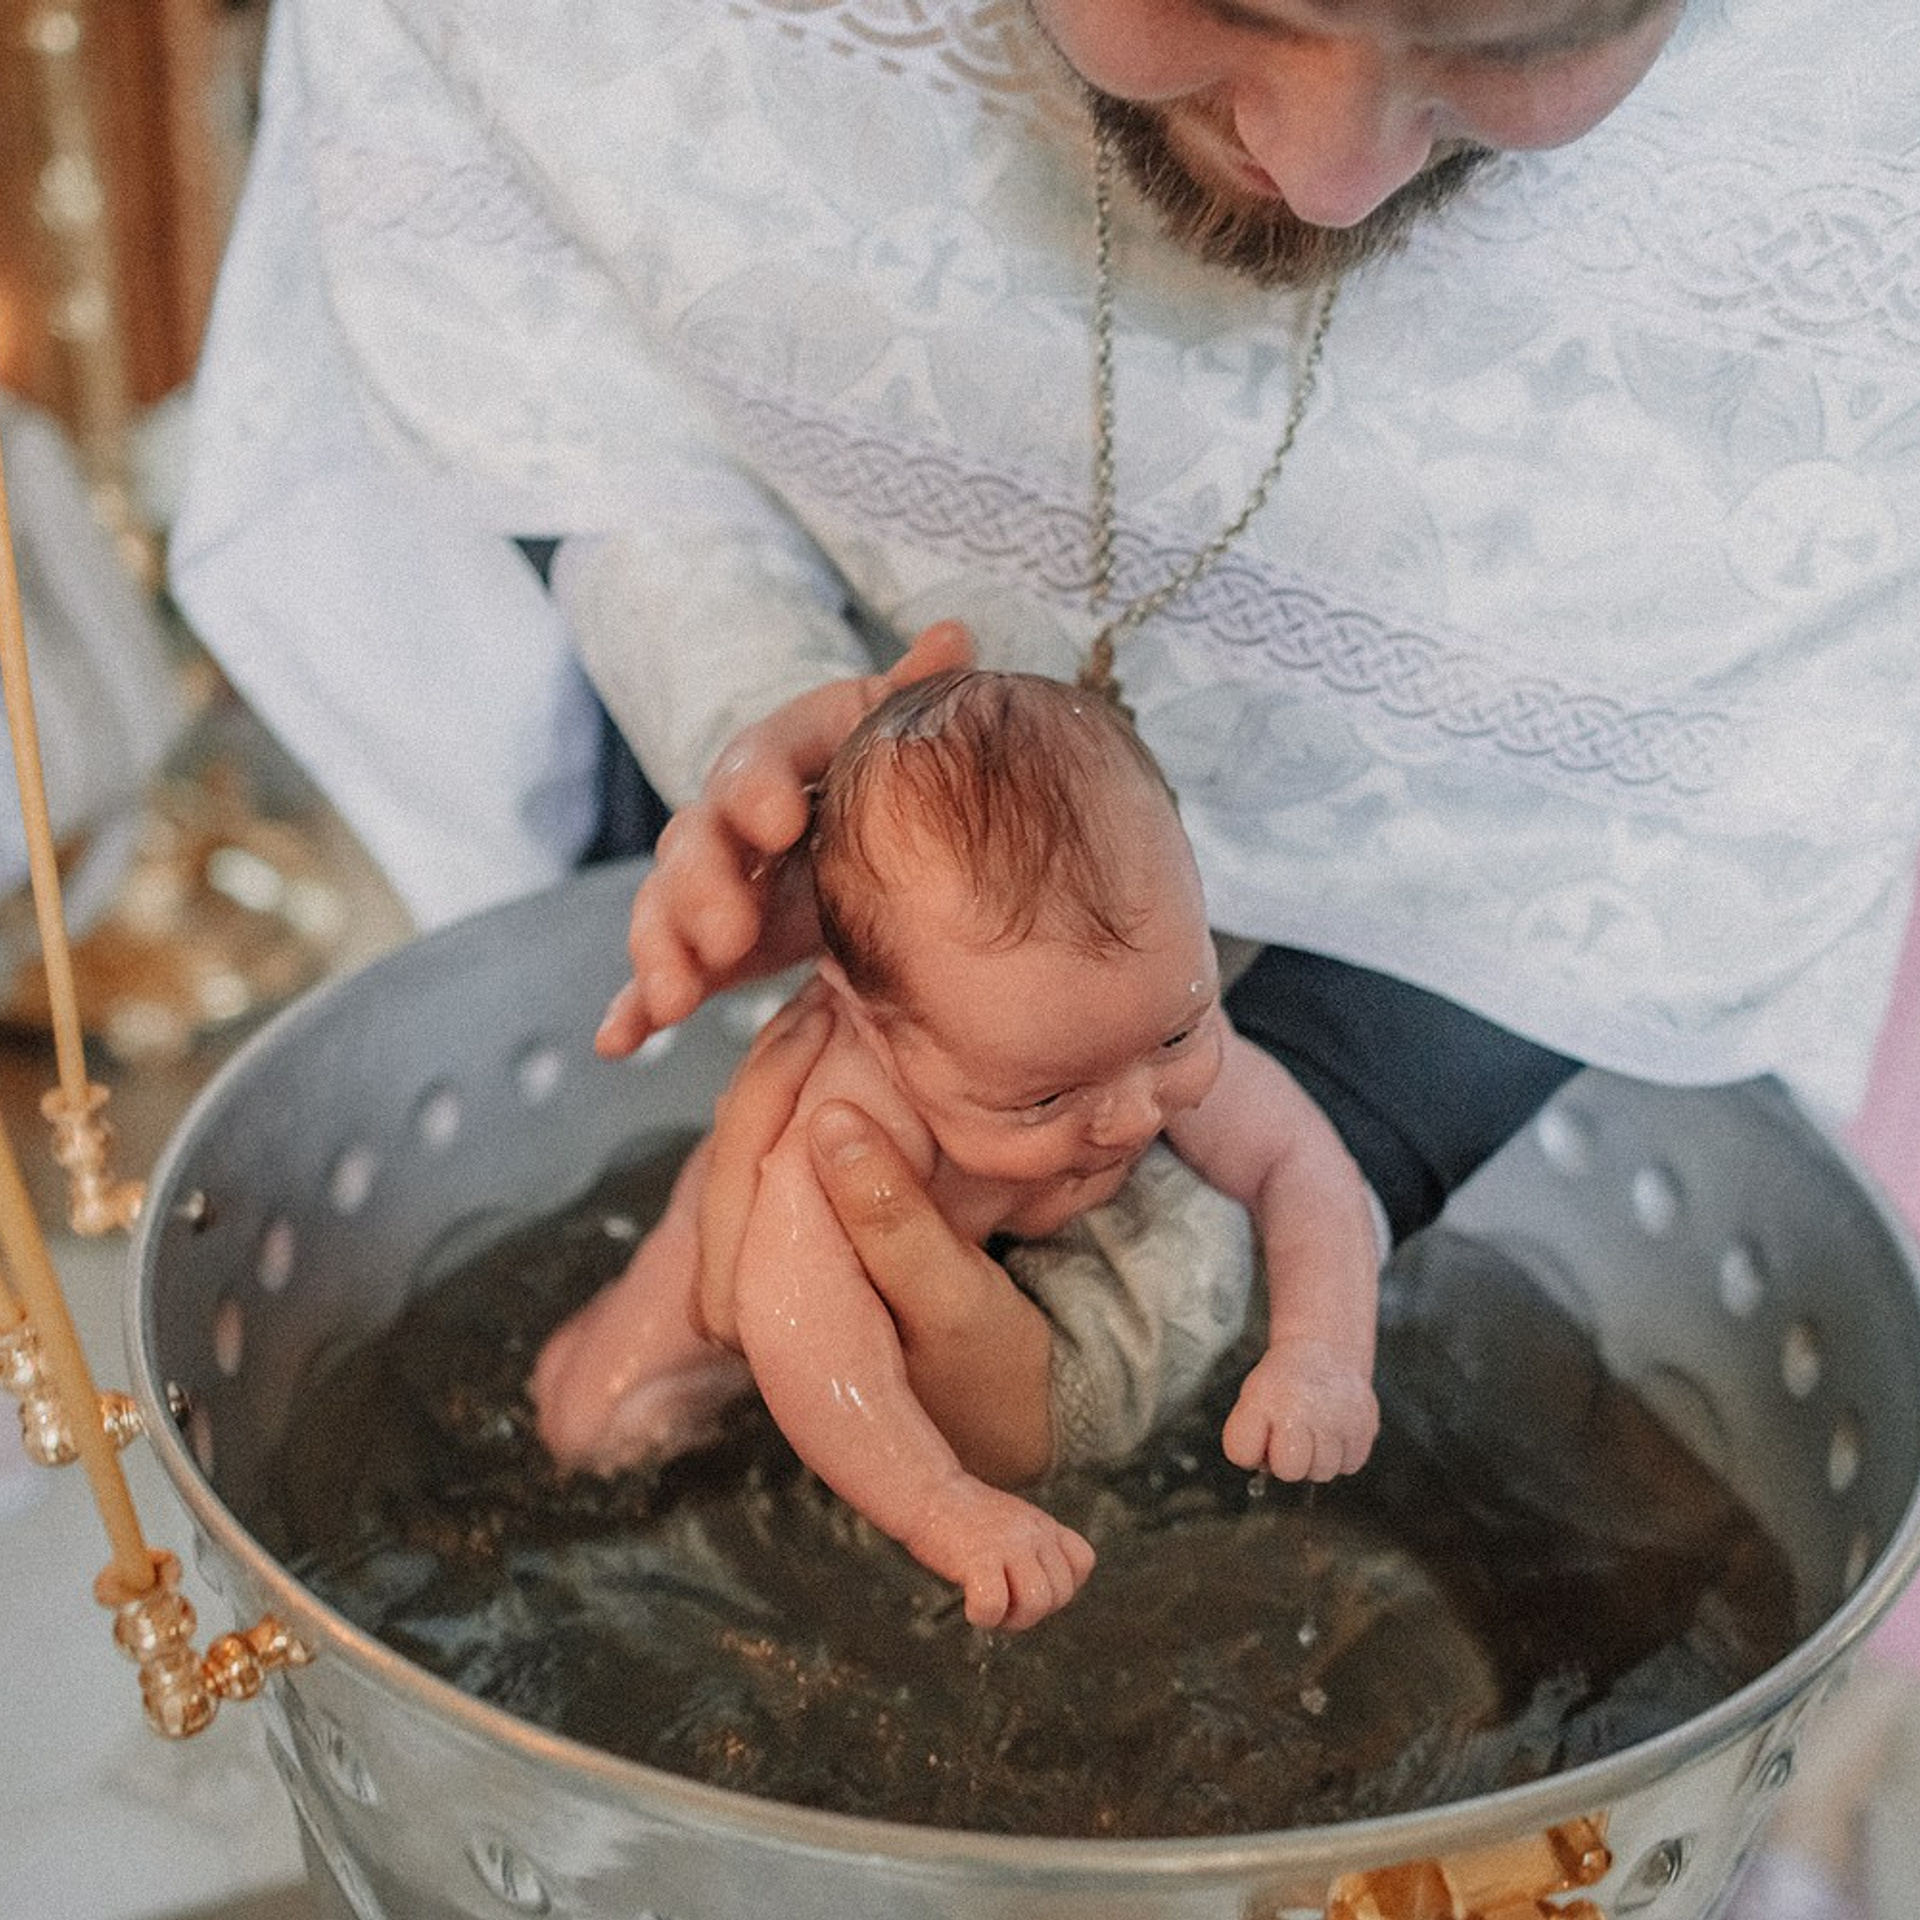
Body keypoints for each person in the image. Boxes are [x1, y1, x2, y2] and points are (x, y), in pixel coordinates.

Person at [170, 1, 1920, 1471]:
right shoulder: (837, 1113)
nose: (1328, 168)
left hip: (1482, 968)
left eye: (1520, 40)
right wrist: (737, 689)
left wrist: (1262, 1318)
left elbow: (1766, 702)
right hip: (806, 929)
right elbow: (530, 267)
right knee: (630, 1380)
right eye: (1232, 2)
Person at [531, 670, 1381, 1629]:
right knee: (598, 1430)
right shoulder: (849, 1121)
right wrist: (939, 1504)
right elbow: (800, 1333)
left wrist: (1321, 1353)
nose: (1131, 1116)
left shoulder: (1123, 1025)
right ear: (876, 1026)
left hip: (942, 1300)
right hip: (717, 1296)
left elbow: (1299, 1164)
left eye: (1179, 1036)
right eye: (1044, 1096)